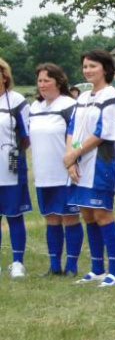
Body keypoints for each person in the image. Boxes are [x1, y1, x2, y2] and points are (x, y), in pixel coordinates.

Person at [65, 49, 115, 287]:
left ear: (105, 69)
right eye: (85, 66)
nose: (88, 70)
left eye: (93, 66)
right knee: (87, 213)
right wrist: (70, 158)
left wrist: (74, 154)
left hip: (101, 163)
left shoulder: (111, 95)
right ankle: (97, 268)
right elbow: (72, 129)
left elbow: (102, 133)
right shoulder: (82, 97)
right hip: (79, 162)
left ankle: (114, 272)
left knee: (101, 213)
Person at [29, 63, 83, 277]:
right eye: (40, 81)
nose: (42, 85)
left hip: (65, 174)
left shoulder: (70, 105)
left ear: (58, 81)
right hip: (43, 174)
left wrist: (74, 159)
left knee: (69, 218)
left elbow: (79, 138)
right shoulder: (35, 107)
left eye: (46, 80)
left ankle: (71, 266)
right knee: (51, 218)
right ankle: (54, 266)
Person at [0, 57, 31, 278]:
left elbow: (27, 136)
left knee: (14, 215)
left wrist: (13, 154)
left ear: (4, 76)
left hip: (11, 167)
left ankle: (17, 262)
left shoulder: (17, 100)